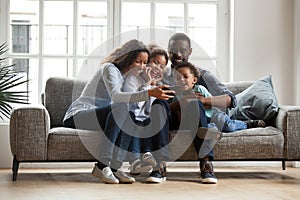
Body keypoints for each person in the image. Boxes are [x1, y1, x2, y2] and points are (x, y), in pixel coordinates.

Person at [63, 39, 174, 184]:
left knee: (129, 114)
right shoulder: (109, 69)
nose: (141, 67)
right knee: (122, 107)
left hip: (106, 115)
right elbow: (116, 97)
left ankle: (115, 167)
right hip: (79, 115)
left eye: (144, 63)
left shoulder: (129, 78)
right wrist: (149, 93)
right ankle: (102, 166)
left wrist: (148, 87)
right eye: (138, 61)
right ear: (127, 58)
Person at [165, 32, 237, 184]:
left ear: (190, 51)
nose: (177, 54)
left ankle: (206, 164)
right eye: (173, 50)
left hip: (196, 118)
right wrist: (180, 103)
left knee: (195, 104)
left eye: (182, 50)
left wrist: (203, 101)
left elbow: (230, 100)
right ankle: (158, 166)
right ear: (167, 51)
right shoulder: (161, 75)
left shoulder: (202, 75)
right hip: (171, 119)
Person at [174, 61, 266, 133]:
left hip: (213, 114)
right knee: (205, 128)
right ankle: (213, 131)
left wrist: (201, 103)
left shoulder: (200, 89)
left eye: (185, 77)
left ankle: (247, 124)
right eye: (178, 78)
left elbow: (212, 104)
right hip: (200, 121)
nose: (182, 80)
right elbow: (177, 110)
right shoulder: (177, 95)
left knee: (228, 125)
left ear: (194, 80)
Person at [122, 47, 169, 183]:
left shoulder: (157, 84)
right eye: (155, 62)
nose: (157, 67)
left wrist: (152, 84)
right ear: (147, 61)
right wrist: (147, 84)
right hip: (132, 115)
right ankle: (137, 162)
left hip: (145, 119)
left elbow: (150, 109)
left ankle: (147, 155)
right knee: (137, 122)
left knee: (148, 121)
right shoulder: (133, 79)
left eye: (162, 66)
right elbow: (135, 105)